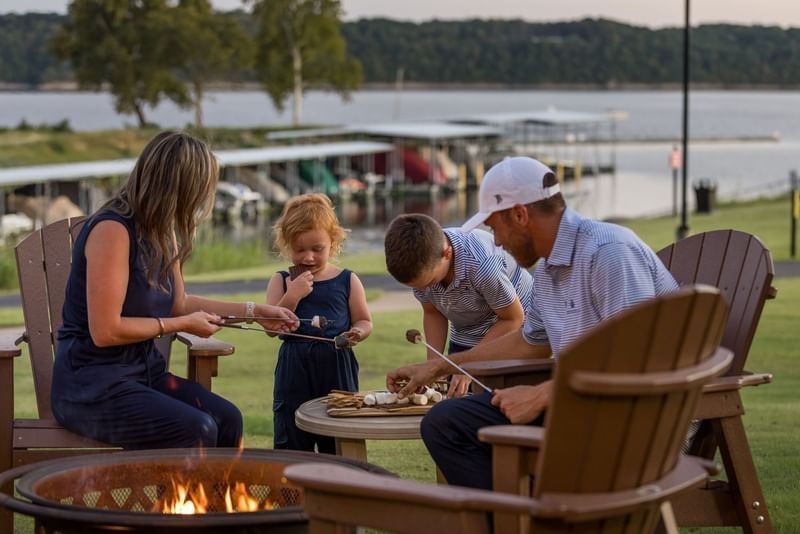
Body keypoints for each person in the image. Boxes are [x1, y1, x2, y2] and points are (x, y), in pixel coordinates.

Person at [387, 156, 678, 490]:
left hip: (633, 419)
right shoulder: (548, 274)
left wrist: (543, 395)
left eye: (495, 228)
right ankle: (509, 521)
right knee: (445, 422)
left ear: (520, 215)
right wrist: (440, 367)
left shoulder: (609, 252)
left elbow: (634, 361)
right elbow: (530, 343)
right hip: (580, 406)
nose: (495, 241)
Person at [51, 130, 299, 450]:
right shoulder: (112, 230)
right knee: (197, 429)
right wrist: (180, 326)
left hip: (143, 377)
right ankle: (177, 502)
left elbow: (179, 304)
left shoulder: (161, 232)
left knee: (228, 419)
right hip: (92, 387)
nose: (198, 202)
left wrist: (255, 312)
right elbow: (106, 331)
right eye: (197, 191)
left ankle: (213, 502)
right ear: (177, 187)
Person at [266, 193, 373, 453]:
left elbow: (364, 319)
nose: (308, 258)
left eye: (317, 249)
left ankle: (338, 488)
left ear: (333, 242)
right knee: (291, 433)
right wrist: (293, 295)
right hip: (294, 367)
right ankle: (291, 492)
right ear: (286, 245)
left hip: (336, 364)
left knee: (337, 435)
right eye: (299, 249)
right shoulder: (281, 280)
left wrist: (357, 332)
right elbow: (270, 327)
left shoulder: (347, 280)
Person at [384, 213, 533, 397]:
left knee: (497, 408)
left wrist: (470, 365)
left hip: (512, 335)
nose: (425, 290)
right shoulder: (424, 261)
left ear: (447, 254)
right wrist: (434, 367)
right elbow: (433, 313)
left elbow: (513, 319)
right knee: (454, 402)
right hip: (466, 334)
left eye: (430, 282)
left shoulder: (483, 265)